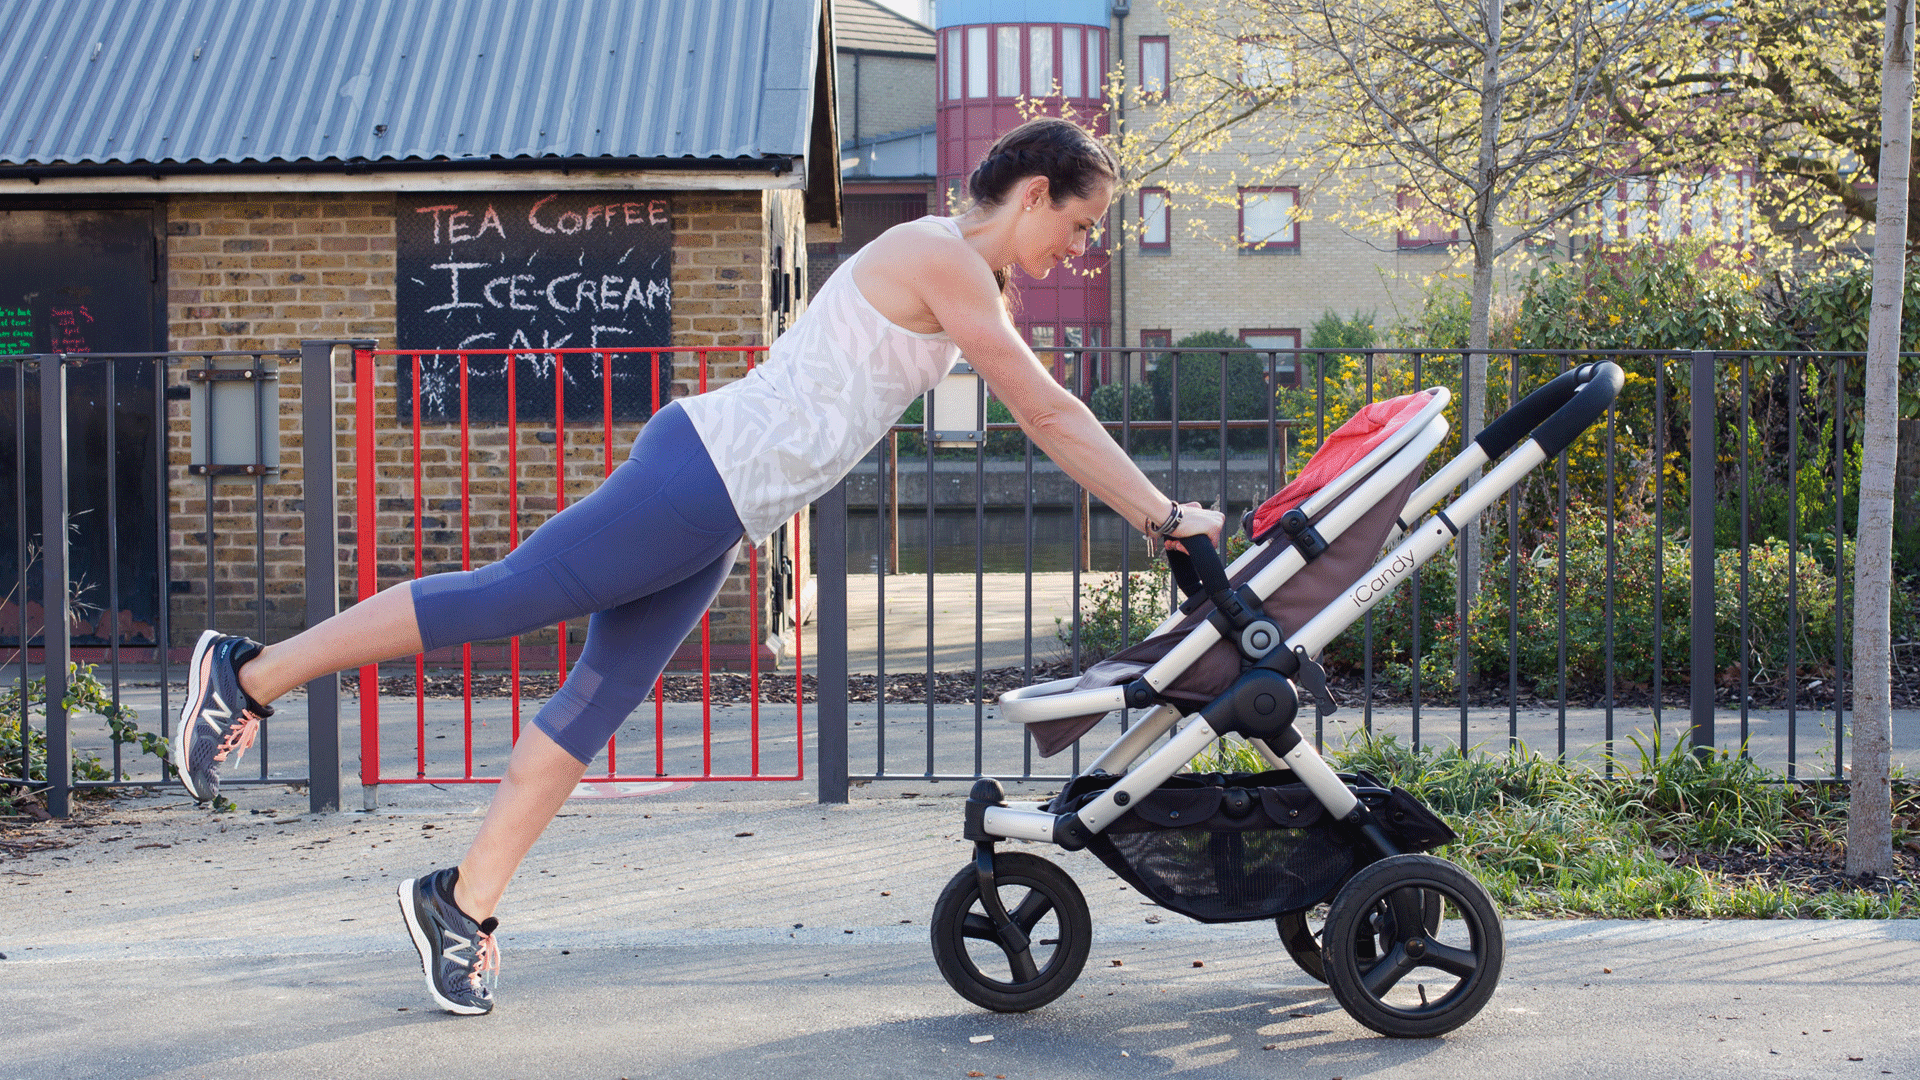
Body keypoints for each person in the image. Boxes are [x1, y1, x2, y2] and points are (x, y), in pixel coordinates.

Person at [170, 116, 1225, 1016]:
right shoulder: (943, 252)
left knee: (595, 702)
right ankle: (248, 674)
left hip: (727, 507)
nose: (1080, 250)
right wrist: (1161, 511)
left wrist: (1151, 510)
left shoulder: (962, 273)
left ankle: (463, 905)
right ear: (1034, 192)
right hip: (702, 475)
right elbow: (1044, 410)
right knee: (506, 597)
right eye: (1079, 225)